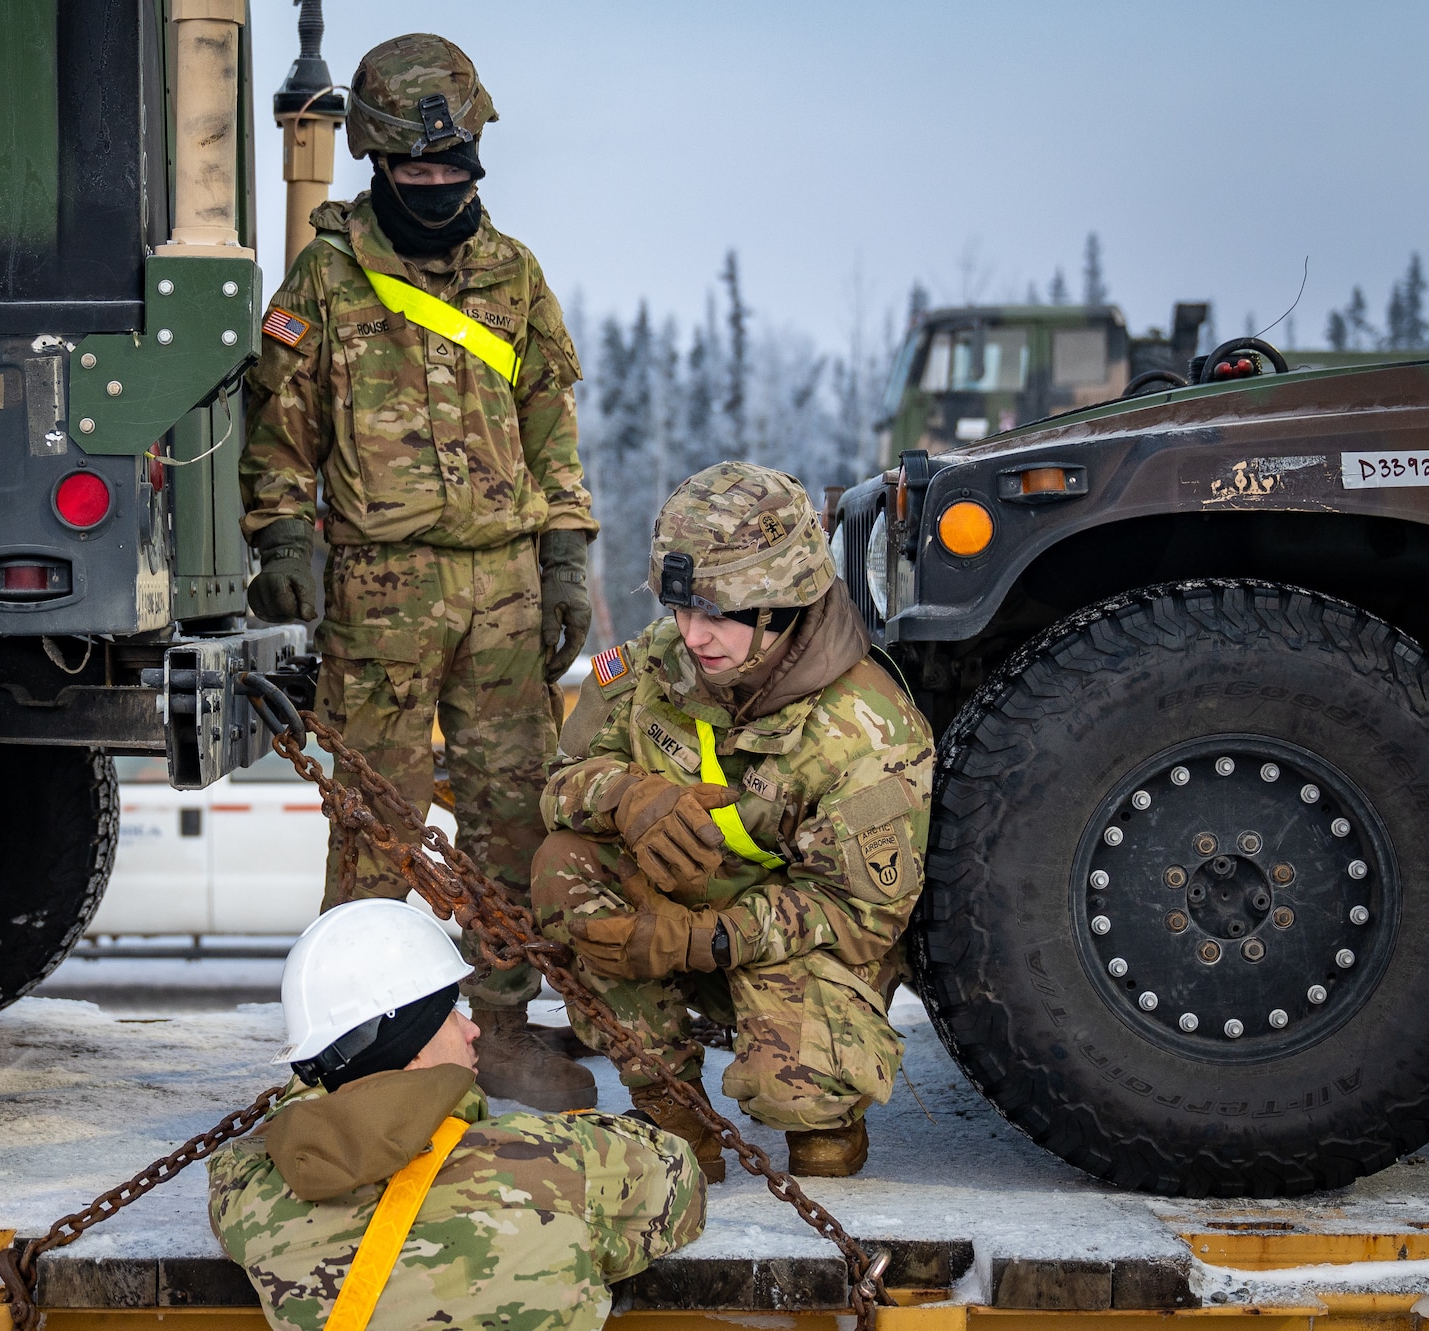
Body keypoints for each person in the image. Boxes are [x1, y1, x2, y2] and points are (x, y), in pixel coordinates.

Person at [240, 33, 598, 1109]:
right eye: (415, 171)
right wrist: (280, 539)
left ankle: (496, 1032)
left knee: (511, 819)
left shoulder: (512, 275)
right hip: (380, 592)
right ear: (374, 162)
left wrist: (567, 558)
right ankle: (370, 1048)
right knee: (374, 826)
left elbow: (551, 431)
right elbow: (278, 433)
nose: (437, 187)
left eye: (453, 169)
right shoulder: (328, 277)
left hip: (502, 590)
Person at [531, 463, 934, 1180]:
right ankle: (668, 1103)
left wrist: (705, 939)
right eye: (683, 610)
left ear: (784, 603)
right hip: (678, 927)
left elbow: (864, 914)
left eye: (718, 613)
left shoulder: (866, 727)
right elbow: (559, 787)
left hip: (799, 949)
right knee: (565, 865)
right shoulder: (644, 670)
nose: (693, 634)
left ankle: (827, 1114)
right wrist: (626, 794)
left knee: (802, 1106)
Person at [208, 900, 705, 1331]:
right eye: (449, 1012)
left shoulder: (254, 1200)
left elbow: (273, 1130)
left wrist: (335, 1073)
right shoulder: (549, 1160)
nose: (471, 1029)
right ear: (413, 1047)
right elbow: (679, 1178)